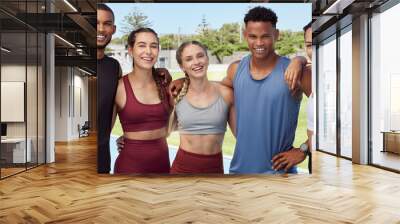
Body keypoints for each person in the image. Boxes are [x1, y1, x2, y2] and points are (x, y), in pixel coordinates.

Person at [221, 6, 310, 174]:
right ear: (245, 35)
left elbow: (331, 114)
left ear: (276, 35)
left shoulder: (294, 72)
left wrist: (303, 150)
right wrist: (186, 81)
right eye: (253, 36)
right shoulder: (235, 70)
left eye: (265, 36)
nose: (259, 43)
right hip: (239, 172)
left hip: (279, 175)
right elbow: (220, 88)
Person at [111, 28, 172, 173]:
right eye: (142, 45)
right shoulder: (118, 87)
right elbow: (103, 131)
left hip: (163, 166)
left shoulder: (166, 84)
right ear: (131, 50)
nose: (149, 51)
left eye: (153, 46)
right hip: (129, 168)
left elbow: (176, 123)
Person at [170, 41, 235, 174]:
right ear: (182, 66)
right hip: (181, 170)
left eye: (200, 56)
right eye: (189, 59)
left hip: (215, 170)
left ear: (207, 58)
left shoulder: (226, 93)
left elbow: (241, 134)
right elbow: (163, 130)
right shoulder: (176, 94)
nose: (196, 62)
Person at [97, 4, 122, 174]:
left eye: (106, 24)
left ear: (113, 29)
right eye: (95, 23)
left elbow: (117, 105)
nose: (101, 29)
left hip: (102, 153)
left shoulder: (114, 67)